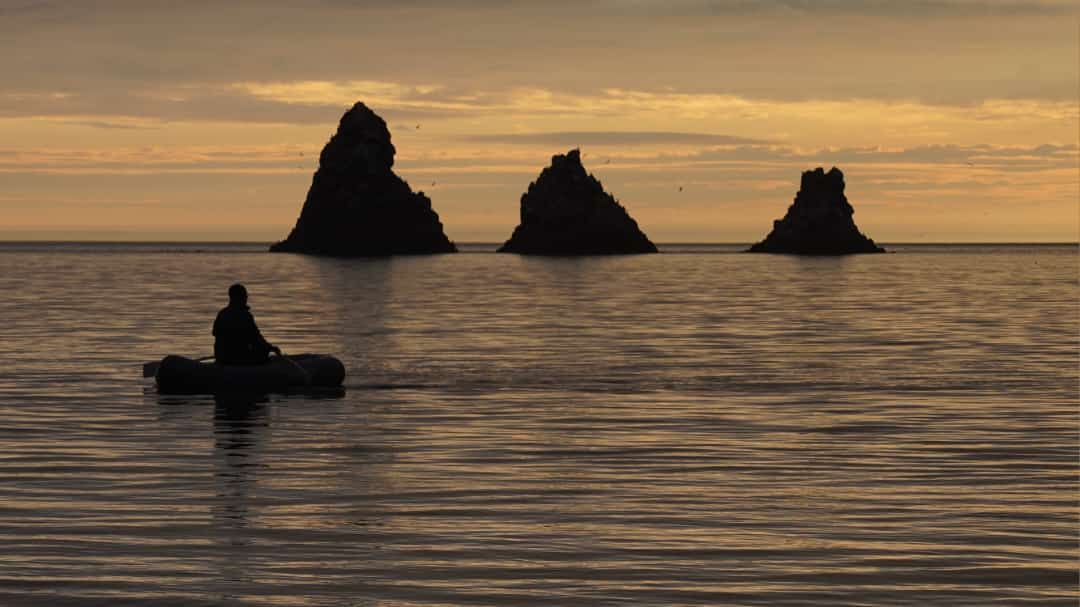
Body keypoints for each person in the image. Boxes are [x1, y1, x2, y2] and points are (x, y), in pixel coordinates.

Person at [213, 284, 281, 365]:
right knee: (262, 351)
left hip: (222, 358)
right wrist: (270, 348)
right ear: (238, 297)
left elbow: (215, 332)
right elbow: (255, 338)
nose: (246, 298)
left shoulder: (222, 313)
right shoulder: (244, 315)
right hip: (238, 359)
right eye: (244, 296)